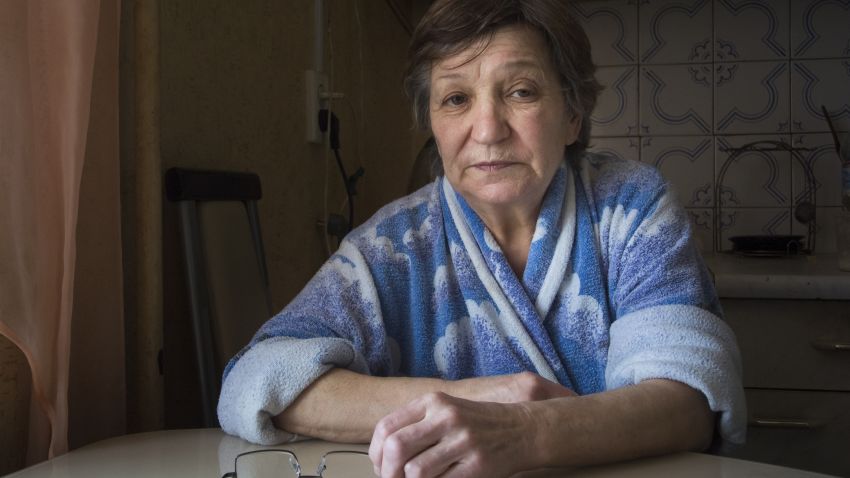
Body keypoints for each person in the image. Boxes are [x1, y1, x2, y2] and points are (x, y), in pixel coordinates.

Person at [218, 0, 746, 476]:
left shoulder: (631, 208)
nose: (488, 129)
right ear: (432, 121)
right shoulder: (393, 245)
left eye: (520, 91)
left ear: (573, 113)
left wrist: (524, 431)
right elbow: (255, 379)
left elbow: (689, 401)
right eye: (455, 99)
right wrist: (469, 400)